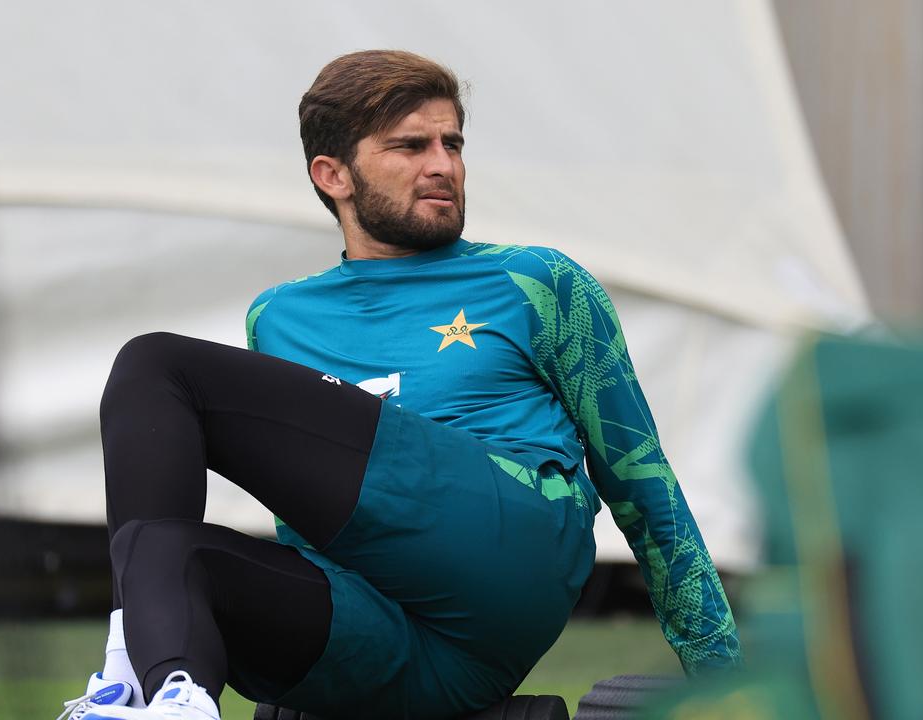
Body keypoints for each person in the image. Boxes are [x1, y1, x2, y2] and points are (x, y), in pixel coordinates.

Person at [59, 50, 742, 720]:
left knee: (157, 365)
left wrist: (727, 681)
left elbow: (644, 486)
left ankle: (129, 676)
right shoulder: (279, 315)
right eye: (411, 146)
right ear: (333, 175)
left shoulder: (534, 280)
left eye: (453, 142)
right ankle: (161, 696)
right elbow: (305, 507)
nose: (443, 165)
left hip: (506, 555)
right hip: (394, 653)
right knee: (164, 551)